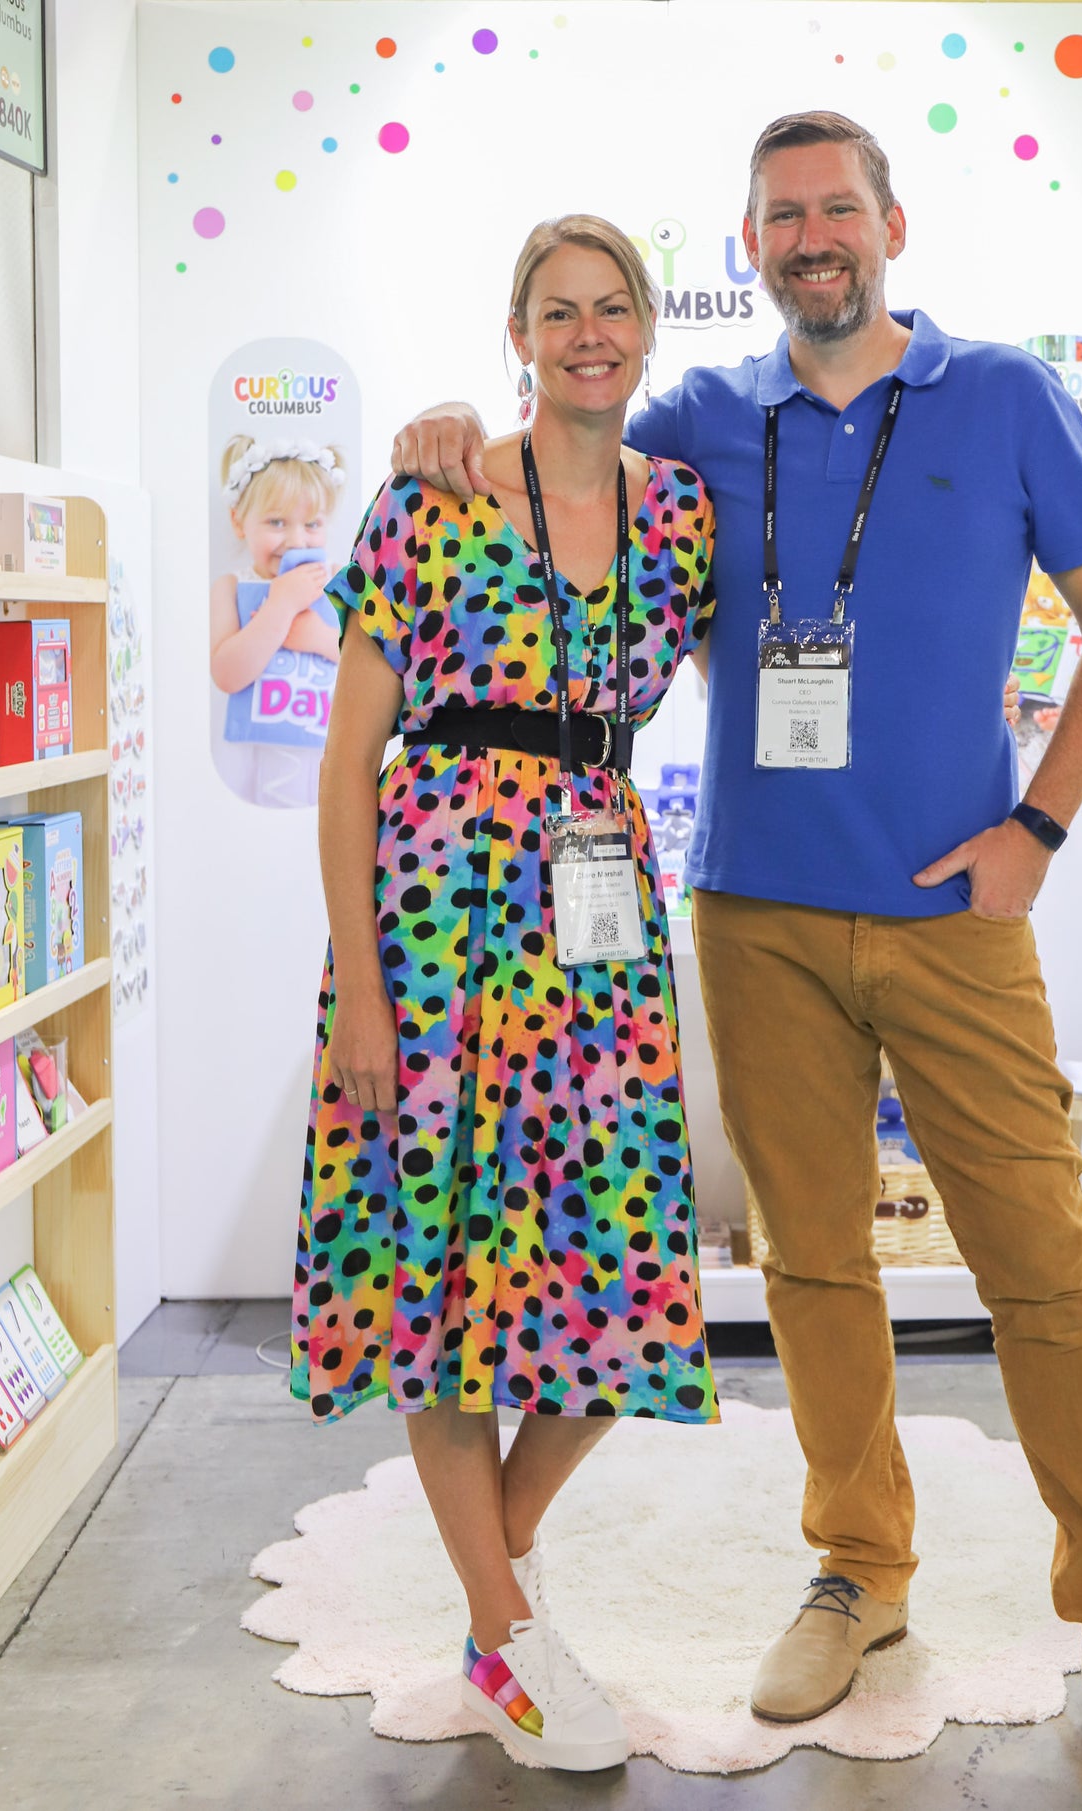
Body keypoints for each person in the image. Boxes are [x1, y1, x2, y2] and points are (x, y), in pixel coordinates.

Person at [393, 112, 1082, 1811]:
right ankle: (859, 1567)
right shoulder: (706, 416)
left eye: (837, 206)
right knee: (816, 1269)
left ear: (890, 225)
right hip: (755, 913)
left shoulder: (1004, 396)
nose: (812, 235)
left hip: (958, 916)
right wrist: (448, 430)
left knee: (1046, 1270)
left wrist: (1040, 827)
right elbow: (567, 446)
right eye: (783, 215)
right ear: (752, 245)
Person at [289, 215, 722, 1774]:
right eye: (558, 309)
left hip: (596, 935)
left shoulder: (683, 514)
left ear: (648, 328)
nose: (588, 332)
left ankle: (500, 1561)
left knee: (623, 1265)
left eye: (612, 307)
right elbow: (347, 761)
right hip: (435, 927)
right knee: (438, 1274)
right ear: (519, 333)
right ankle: (503, 1632)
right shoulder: (434, 495)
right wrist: (360, 992)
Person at [209, 437, 345, 809]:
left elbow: (367, 664)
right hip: (248, 757)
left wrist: (321, 638)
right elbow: (226, 675)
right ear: (238, 521)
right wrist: (280, 607)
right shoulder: (231, 587)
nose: (296, 540)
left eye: (312, 524)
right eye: (277, 522)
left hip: (322, 756)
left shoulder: (339, 579)